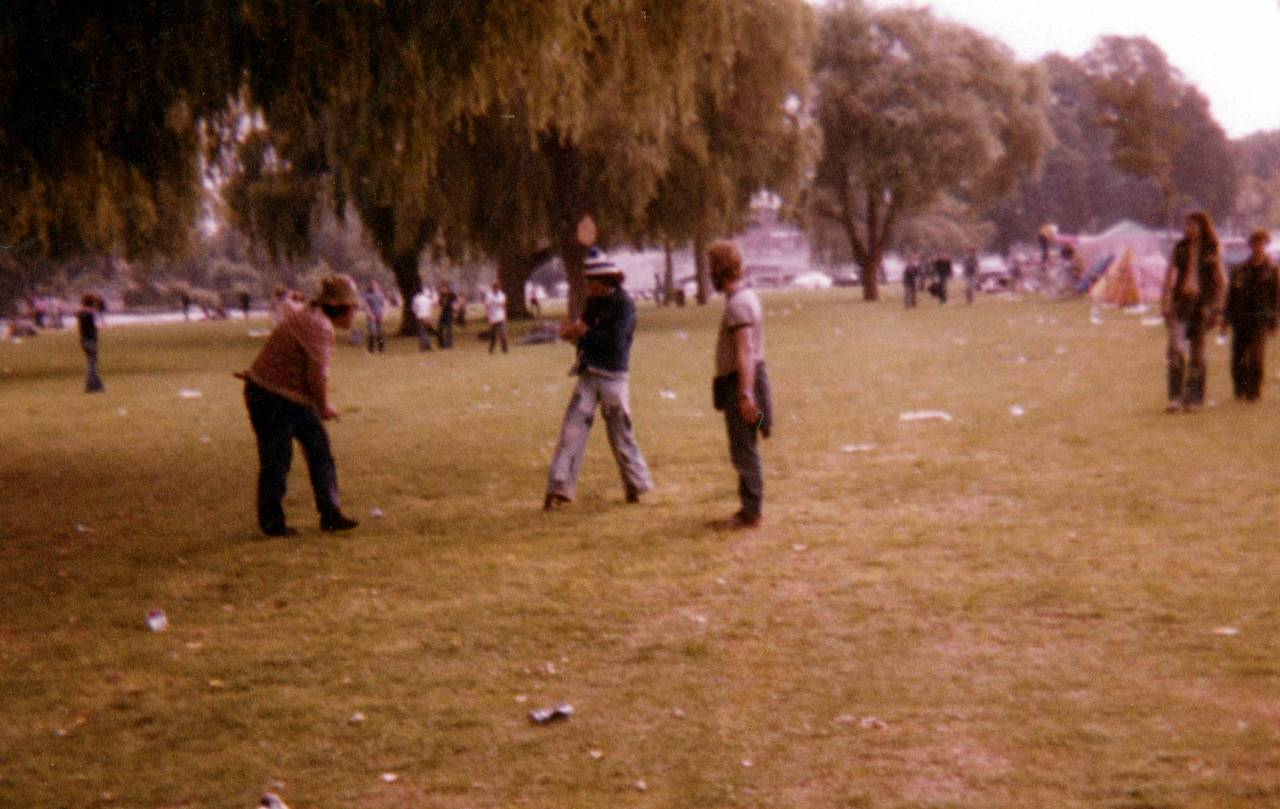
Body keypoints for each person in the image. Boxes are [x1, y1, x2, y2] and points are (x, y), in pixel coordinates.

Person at [236, 275, 361, 537]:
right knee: (277, 459)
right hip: (271, 396)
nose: (356, 313)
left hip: (288, 396)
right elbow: (316, 376)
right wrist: (324, 406)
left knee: (319, 452)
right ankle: (273, 524)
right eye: (354, 307)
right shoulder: (319, 327)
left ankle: (331, 514)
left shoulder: (313, 316)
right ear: (343, 308)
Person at [544, 248, 653, 510]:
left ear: (606, 281)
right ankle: (559, 489)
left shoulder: (624, 306)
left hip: (614, 377)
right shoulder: (593, 303)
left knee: (620, 433)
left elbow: (615, 343)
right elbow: (585, 332)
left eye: (592, 283)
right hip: (589, 374)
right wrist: (571, 334)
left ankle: (635, 485)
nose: (589, 288)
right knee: (572, 431)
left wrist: (584, 333)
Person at [709, 241, 772, 530]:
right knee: (752, 437)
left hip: (743, 384)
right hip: (747, 382)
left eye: (711, 266)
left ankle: (751, 512)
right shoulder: (745, 298)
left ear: (720, 269)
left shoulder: (738, 305)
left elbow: (745, 351)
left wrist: (746, 395)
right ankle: (751, 507)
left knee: (744, 447)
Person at [1161, 211, 1227, 413]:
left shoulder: (1211, 248)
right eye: (1186, 225)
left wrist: (1218, 307)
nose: (1188, 229)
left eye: (1193, 225)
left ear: (1201, 226)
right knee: (1176, 349)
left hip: (1202, 305)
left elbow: (1221, 280)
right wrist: (1165, 300)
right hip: (1181, 304)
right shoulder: (1179, 248)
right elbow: (1170, 274)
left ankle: (1194, 399)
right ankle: (1175, 397)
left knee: (1197, 354)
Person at [1223, 229, 1279, 401]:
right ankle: (1240, 389)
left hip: (1261, 318)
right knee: (1238, 356)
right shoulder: (1239, 270)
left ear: (1266, 245)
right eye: (1255, 243)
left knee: (1256, 356)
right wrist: (1225, 319)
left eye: (1262, 243)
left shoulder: (1272, 270)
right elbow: (1231, 296)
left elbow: (1276, 297)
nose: (1258, 247)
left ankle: (1254, 391)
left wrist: (1274, 321)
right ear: (1250, 245)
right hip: (1240, 317)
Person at [77, 293, 106, 393]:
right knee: (92, 364)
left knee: (91, 363)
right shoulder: (91, 313)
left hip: (83, 340)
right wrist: (99, 300)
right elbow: (101, 309)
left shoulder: (80, 313)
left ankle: (98, 386)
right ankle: (91, 386)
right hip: (91, 340)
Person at [484, 281, 509, 354]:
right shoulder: (489, 296)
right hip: (492, 318)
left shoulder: (502, 295)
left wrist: (505, 316)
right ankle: (491, 349)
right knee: (493, 336)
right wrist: (488, 317)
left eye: (497, 288)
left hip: (501, 317)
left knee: (503, 334)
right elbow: (487, 307)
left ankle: (505, 350)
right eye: (494, 288)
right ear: (492, 288)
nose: (496, 289)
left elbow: (504, 306)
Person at [362, 281, 386, 354]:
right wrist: (370, 314)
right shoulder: (368, 295)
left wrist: (383, 315)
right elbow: (366, 305)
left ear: (378, 286)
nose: (374, 287)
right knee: (372, 332)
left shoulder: (381, 295)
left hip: (379, 315)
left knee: (380, 333)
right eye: (373, 286)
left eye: (375, 286)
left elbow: (384, 305)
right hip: (371, 316)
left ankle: (381, 349)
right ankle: (370, 349)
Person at [411, 284, 436, 352]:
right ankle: (428, 345)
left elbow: (414, 308)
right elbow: (431, 307)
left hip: (420, 317)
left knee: (421, 332)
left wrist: (416, 313)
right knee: (425, 331)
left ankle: (423, 347)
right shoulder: (428, 299)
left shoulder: (416, 298)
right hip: (427, 317)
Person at [437, 282, 456, 349]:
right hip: (443, 314)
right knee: (440, 328)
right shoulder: (441, 296)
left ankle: (449, 344)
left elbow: (455, 299)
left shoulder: (451, 295)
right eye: (442, 288)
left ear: (447, 289)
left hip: (449, 313)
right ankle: (441, 344)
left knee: (449, 329)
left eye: (444, 288)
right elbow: (440, 303)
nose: (442, 289)